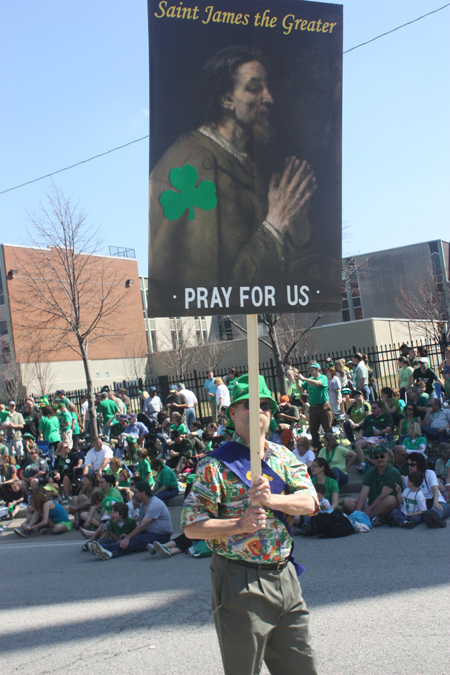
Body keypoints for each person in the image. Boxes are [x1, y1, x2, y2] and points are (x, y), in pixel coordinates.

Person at [148, 45, 319, 312]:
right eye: (254, 88)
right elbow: (213, 288)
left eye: (267, 87)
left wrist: (295, 224)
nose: (269, 98)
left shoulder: (243, 164)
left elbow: (276, 274)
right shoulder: (195, 162)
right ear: (226, 99)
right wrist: (275, 223)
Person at [182, 373, 319, 675]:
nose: (257, 411)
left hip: (285, 576)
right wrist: (239, 524)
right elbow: (191, 526)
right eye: (248, 405)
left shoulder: (284, 456)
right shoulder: (215, 464)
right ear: (233, 413)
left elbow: (310, 503)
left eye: (265, 406)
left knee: (302, 668)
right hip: (239, 579)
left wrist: (273, 501)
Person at [89, 481, 173, 560]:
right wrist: (128, 535)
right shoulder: (143, 505)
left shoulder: (155, 503)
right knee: (126, 540)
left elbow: (142, 526)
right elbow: (140, 525)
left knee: (133, 541)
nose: (134, 494)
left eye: (136, 492)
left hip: (161, 536)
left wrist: (128, 538)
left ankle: (105, 549)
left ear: (143, 492)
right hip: (148, 533)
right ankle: (102, 547)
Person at [342, 446, 401, 526]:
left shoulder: (393, 472)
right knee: (346, 501)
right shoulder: (370, 473)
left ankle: (367, 518)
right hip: (372, 502)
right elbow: (363, 494)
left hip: (386, 504)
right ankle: (371, 517)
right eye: (376, 457)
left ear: (387, 456)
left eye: (382, 456)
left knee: (391, 500)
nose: (379, 459)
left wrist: (368, 511)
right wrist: (358, 511)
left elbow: (383, 496)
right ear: (373, 458)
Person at [404, 452, 450, 527]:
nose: (410, 467)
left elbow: (435, 488)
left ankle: (433, 518)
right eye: (408, 465)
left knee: (438, 509)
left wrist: (435, 502)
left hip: (436, 501)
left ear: (420, 464)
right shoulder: (407, 479)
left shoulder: (429, 473)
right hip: (421, 508)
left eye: (412, 465)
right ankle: (433, 520)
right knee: (426, 514)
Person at [297, 362, 333, 451]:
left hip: (323, 407)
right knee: (314, 430)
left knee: (327, 428)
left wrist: (304, 378)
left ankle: (332, 447)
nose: (311, 372)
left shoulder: (323, 377)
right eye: (310, 370)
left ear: (318, 370)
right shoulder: (310, 379)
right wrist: (297, 380)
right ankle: (318, 449)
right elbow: (301, 388)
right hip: (313, 408)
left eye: (312, 370)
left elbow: (318, 383)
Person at [354, 401, 394, 473]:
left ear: (380, 409)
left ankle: (373, 463)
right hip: (367, 437)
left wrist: (381, 432)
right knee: (357, 444)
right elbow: (362, 429)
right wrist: (360, 435)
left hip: (381, 437)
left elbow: (389, 428)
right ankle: (363, 464)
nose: (372, 410)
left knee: (372, 444)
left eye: (374, 408)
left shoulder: (386, 416)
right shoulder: (368, 417)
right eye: (372, 408)